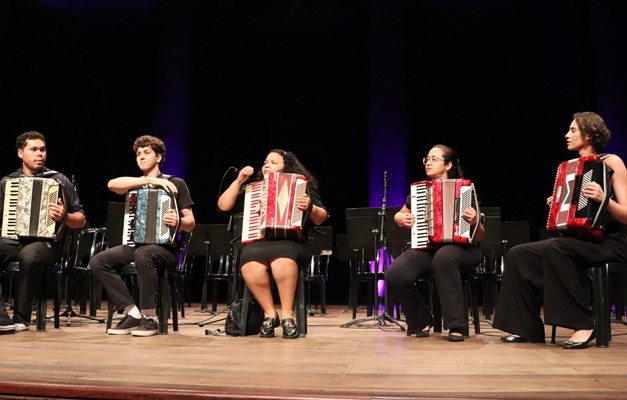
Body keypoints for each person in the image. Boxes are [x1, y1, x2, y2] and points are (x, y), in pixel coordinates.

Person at [493, 111, 627, 349]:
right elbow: (570, 213)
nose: (567, 135)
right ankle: (526, 328)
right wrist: (556, 205)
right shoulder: (570, 167)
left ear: (588, 134)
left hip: (610, 242)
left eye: (573, 130)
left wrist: (605, 199)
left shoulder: (612, 162)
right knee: (518, 253)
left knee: (556, 247)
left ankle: (584, 323)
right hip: (578, 241)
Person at [90, 135, 195, 337]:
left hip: (166, 249)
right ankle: (132, 312)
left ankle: (150, 318)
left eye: (146, 153)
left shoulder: (176, 183)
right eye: (138, 154)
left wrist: (178, 222)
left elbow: (191, 222)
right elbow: (111, 184)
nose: (141, 157)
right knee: (99, 261)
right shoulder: (135, 183)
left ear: (158, 157)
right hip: (136, 245)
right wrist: (147, 180)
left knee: (144, 254)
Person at [217, 149, 328, 339]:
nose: (266, 165)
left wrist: (309, 205)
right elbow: (223, 206)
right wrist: (239, 181)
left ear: (287, 166)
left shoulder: (302, 186)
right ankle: (270, 314)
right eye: (265, 162)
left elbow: (321, 217)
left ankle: (287, 315)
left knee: (281, 259)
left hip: (293, 242)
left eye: (273, 162)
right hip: (260, 242)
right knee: (250, 261)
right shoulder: (254, 188)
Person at [385, 144, 485, 342]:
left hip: (463, 250)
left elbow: (479, 236)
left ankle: (456, 325)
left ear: (448, 165)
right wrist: (399, 219)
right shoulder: (420, 191)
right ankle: (421, 319)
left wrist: (475, 222)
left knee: (445, 256)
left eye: (433, 159)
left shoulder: (464, 190)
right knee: (395, 274)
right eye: (427, 159)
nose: (428, 163)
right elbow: (400, 215)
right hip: (429, 249)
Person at [0, 131, 86, 333]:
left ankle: (21, 317)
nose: (39, 154)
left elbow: (80, 219)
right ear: (21, 153)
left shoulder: (58, 180)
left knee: (29, 255)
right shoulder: (7, 182)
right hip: (14, 240)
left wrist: (64, 216)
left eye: (42, 149)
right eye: (34, 149)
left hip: (47, 244)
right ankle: (2, 317)